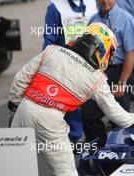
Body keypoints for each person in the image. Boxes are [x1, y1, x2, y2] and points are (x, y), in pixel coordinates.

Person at [8, 22, 134, 176]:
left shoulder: (52, 50)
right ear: (102, 49)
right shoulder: (97, 79)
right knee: (67, 173)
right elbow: (115, 114)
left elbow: (21, 79)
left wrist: (14, 109)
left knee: (13, 168)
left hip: (24, 108)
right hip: (51, 122)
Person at [81, 0, 134, 147]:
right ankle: (98, 153)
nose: (105, 1)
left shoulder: (126, 19)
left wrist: (122, 82)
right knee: (88, 115)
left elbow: (132, 52)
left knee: (119, 120)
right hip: (97, 73)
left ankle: (119, 158)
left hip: (118, 72)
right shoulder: (93, 21)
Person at [43, 0, 98, 145]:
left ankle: (94, 136)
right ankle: (76, 136)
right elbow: (49, 40)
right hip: (67, 63)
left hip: (93, 63)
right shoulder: (56, 7)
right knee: (72, 101)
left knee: (93, 102)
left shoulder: (93, 2)